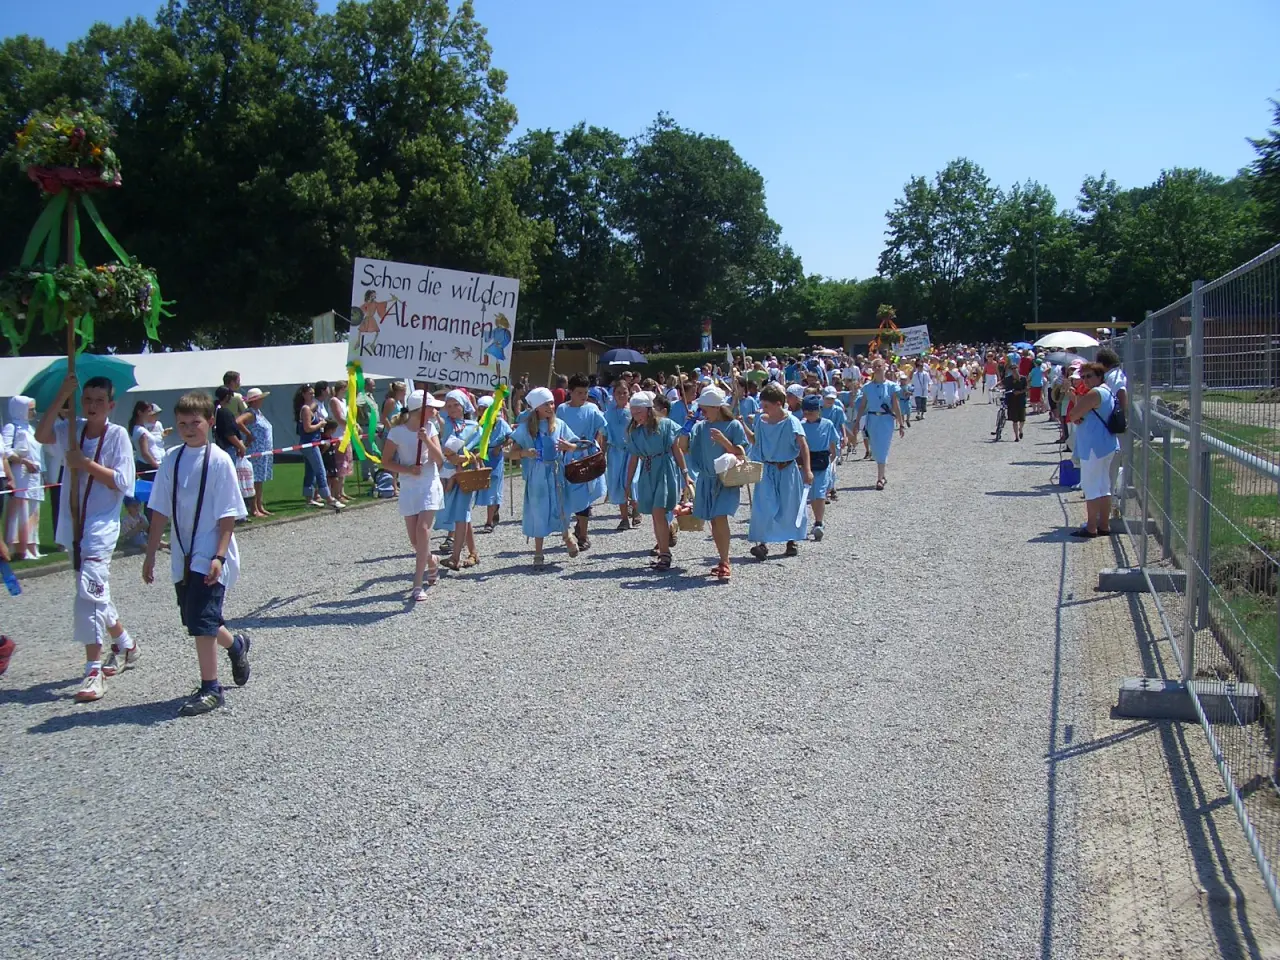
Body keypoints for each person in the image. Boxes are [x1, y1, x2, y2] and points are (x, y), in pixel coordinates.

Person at [142, 392, 253, 716]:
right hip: (182, 551)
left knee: (201, 620)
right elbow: (159, 510)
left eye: (196, 422)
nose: (189, 428)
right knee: (195, 618)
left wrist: (219, 556)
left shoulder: (218, 460)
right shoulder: (172, 459)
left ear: (210, 422)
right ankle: (237, 644)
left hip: (209, 550)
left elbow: (228, 514)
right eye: (182, 424)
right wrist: (150, 554)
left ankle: (211, 687)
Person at [35, 374, 139, 701]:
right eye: (87, 400)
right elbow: (42, 435)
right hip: (73, 523)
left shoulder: (118, 435)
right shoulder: (72, 431)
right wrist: (61, 397)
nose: (92, 406)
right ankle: (126, 644)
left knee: (88, 598)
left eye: (99, 401)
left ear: (110, 405)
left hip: (100, 526)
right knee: (92, 589)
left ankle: (93, 670)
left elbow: (122, 481)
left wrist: (86, 463)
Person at [381, 390, 445, 599]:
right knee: (415, 540)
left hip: (429, 483)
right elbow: (386, 461)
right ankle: (431, 559)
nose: (435, 411)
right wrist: (408, 470)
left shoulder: (430, 427)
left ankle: (418, 584)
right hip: (409, 485)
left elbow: (439, 460)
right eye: (431, 407)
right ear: (420, 410)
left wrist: (426, 440)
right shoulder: (397, 432)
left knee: (423, 529)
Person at [508, 387, 580, 568]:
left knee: (561, 506)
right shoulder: (525, 429)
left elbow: (576, 444)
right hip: (537, 476)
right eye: (546, 403)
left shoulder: (559, 425)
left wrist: (569, 447)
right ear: (537, 407)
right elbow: (511, 454)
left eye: (552, 403)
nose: (550, 406)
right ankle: (538, 552)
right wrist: (525, 452)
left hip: (557, 472)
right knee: (539, 511)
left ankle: (567, 535)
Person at [684, 388, 747, 580]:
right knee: (713, 520)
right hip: (706, 480)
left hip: (726, 480)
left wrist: (723, 440)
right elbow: (683, 447)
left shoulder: (734, 425)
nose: (702, 413)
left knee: (720, 517)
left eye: (704, 409)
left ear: (716, 407)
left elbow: (741, 453)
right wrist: (688, 425)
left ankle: (725, 561)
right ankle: (722, 560)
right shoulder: (701, 427)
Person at [624, 391, 687, 572]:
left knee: (659, 512)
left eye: (639, 413)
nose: (635, 417)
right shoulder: (635, 433)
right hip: (648, 472)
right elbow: (634, 459)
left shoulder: (666, 425)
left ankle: (665, 554)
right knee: (655, 514)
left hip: (665, 470)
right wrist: (627, 484)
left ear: (649, 410)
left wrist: (685, 473)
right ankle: (664, 546)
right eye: (633, 413)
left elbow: (677, 450)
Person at [747, 382, 811, 560]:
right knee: (763, 506)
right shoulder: (761, 420)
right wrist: (742, 426)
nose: (762, 408)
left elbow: (803, 445)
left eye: (766, 405)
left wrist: (807, 470)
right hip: (767, 469)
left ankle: (791, 540)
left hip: (787, 469)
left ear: (778, 404)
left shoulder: (791, 421)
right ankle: (762, 544)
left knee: (789, 506)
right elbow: (755, 441)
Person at [1068, 362, 1120, 537]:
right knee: (1104, 485)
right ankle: (1104, 524)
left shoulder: (1094, 393)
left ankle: (1091, 526)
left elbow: (1073, 414)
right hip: (1107, 444)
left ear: (1099, 376)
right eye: (1083, 377)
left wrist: (1077, 413)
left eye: (1089, 376)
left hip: (1093, 446)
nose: (1085, 380)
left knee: (1091, 486)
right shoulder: (1108, 391)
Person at [557, 374, 608, 551]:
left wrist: (598, 448)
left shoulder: (592, 408)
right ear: (570, 392)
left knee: (585, 495)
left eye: (585, 392)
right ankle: (576, 526)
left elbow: (602, 430)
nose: (583, 396)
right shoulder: (562, 410)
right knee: (570, 493)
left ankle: (583, 534)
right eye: (579, 392)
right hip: (568, 457)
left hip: (586, 454)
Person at [435, 390, 482, 571]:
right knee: (462, 513)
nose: (453, 408)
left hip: (466, 474)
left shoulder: (475, 427)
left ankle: (455, 557)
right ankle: (473, 552)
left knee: (461, 513)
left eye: (456, 405)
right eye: (449, 405)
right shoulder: (444, 424)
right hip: (447, 474)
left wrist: (465, 459)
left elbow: (479, 451)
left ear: (464, 406)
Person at [855, 359, 906, 491]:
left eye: (880, 366)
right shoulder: (867, 387)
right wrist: (857, 422)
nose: (877, 368)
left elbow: (895, 405)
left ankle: (879, 478)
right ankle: (882, 474)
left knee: (883, 447)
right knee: (876, 448)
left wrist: (901, 423)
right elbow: (862, 406)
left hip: (886, 420)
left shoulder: (891, 386)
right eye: (875, 366)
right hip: (872, 419)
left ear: (884, 368)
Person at [3, 396, 42, 560]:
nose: (33, 412)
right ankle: (17, 547)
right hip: (20, 473)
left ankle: (32, 546)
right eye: (30, 409)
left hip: (34, 475)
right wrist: (23, 461)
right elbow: (5, 450)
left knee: (33, 509)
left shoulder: (30, 428)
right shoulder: (12, 427)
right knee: (20, 509)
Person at [293, 384, 343, 512]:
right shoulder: (305, 409)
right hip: (310, 444)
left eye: (313, 393)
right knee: (320, 470)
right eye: (310, 393)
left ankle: (309, 498)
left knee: (310, 472)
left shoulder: (310, 408)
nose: (312, 395)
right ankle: (328, 498)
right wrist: (320, 424)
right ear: (304, 395)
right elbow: (307, 428)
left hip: (312, 443)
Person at [799, 395, 838, 542]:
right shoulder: (801, 425)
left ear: (818, 411)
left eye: (811, 412)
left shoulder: (827, 424)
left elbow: (833, 441)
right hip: (806, 461)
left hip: (822, 462)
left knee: (820, 493)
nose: (808, 415)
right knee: (806, 493)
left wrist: (834, 454)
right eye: (806, 412)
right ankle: (802, 523)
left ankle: (819, 522)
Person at [474, 394, 513, 533]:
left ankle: (489, 521)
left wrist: (500, 446)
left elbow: (510, 437)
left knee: (493, 486)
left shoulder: (501, 423)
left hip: (495, 457)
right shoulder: (478, 424)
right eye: (481, 409)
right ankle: (494, 509)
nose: (483, 412)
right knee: (483, 486)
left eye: (485, 409)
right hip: (482, 457)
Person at [603, 380, 639, 530]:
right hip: (615, 453)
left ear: (629, 394)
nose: (622, 395)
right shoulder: (608, 413)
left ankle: (636, 508)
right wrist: (602, 453)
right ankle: (624, 518)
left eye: (624, 392)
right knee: (618, 484)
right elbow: (604, 435)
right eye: (619, 393)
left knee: (631, 482)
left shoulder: (634, 411)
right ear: (614, 395)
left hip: (632, 452)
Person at [244, 387, 274, 518]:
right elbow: (238, 422)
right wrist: (249, 435)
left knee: (259, 480)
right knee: (255, 479)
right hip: (256, 450)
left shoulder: (258, 412)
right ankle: (254, 508)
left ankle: (259, 505)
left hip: (263, 450)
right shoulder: (250, 413)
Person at [328, 379, 354, 503]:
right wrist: (352, 425)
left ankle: (342, 492)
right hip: (338, 436)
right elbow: (339, 418)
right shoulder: (334, 401)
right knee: (340, 465)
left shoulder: (344, 401)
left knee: (345, 464)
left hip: (346, 435)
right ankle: (336, 493)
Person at [1001, 363, 1028, 442]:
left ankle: (1021, 429)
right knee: (1014, 420)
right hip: (1012, 401)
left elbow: (1027, 388)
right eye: (1012, 369)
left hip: (1021, 400)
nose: (1014, 370)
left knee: (1022, 419)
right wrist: (994, 387)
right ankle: (1016, 436)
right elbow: (1001, 383)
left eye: (1015, 368)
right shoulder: (1008, 379)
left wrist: (1020, 392)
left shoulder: (1023, 378)